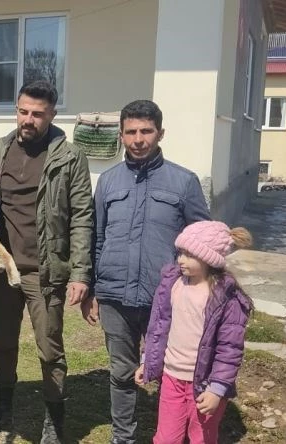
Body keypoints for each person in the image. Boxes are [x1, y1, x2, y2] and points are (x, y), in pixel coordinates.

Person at [0, 80, 94, 443]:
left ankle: (54, 420)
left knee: (50, 349)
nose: (28, 119)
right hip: (3, 269)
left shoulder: (70, 158)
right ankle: (1, 407)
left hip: (45, 273)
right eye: (23, 111)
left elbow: (82, 217)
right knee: (4, 342)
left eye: (37, 114)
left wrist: (81, 273)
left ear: (52, 114)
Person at [84, 99, 210, 444]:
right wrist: (92, 288)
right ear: (121, 135)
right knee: (121, 372)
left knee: (174, 373)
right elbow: (97, 237)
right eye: (130, 132)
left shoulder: (184, 182)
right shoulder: (108, 181)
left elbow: (202, 241)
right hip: (114, 296)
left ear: (160, 133)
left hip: (166, 298)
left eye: (146, 131)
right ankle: (122, 437)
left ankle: (171, 434)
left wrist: (200, 290)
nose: (138, 139)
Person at [136, 221, 253, 444]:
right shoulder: (172, 284)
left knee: (201, 438)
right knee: (166, 439)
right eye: (180, 253)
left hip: (204, 383)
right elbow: (158, 327)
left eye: (189, 255)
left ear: (208, 259)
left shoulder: (225, 297)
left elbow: (230, 349)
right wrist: (147, 361)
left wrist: (217, 389)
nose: (181, 259)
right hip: (171, 377)